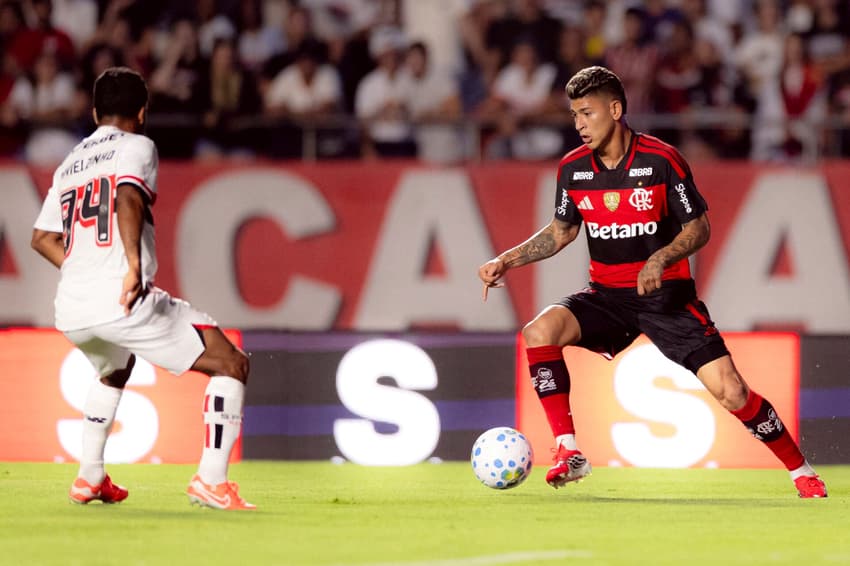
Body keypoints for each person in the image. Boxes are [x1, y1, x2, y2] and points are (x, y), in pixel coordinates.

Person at [477, 65, 827, 499]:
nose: (579, 125)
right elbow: (561, 231)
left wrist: (660, 258)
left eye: (587, 113)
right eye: (574, 116)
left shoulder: (660, 160)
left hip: (667, 300)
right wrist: (506, 260)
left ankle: (801, 471)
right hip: (607, 297)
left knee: (732, 391)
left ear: (616, 109)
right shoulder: (572, 169)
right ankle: (569, 450)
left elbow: (699, 229)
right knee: (539, 331)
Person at [30, 67, 255, 510]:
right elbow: (128, 198)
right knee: (231, 363)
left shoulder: (69, 163)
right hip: (121, 299)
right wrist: (133, 266)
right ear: (142, 112)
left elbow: (41, 238)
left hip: (72, 308)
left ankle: (89, 475)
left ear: (95, 112)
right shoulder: (138, 146)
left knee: (114, 368)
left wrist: (80, 268)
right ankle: (211, 480)